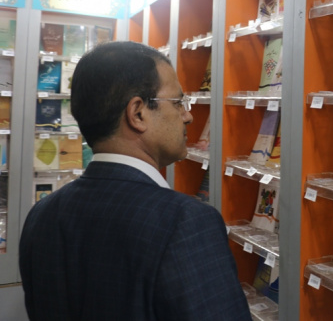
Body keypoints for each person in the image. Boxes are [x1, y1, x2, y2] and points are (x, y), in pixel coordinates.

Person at [19, 41, 251, 320]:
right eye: (178, 102)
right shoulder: (184, 222)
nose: (188, 116)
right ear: (138, 113)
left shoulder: (42, 214)